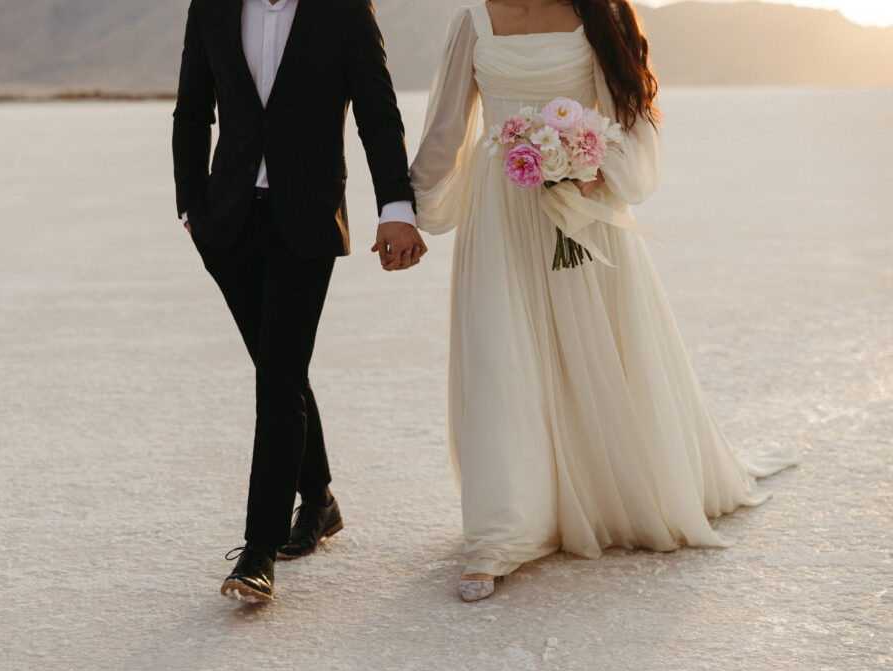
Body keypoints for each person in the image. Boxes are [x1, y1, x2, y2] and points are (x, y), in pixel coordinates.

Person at [409, 0, 797, 602]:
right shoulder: (475, 19)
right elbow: (447, 127)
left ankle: (612, 490)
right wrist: (408, 211)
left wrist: (594, 170)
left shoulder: (602, 13)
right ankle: (498, 535)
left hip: (583, 214)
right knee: (501, 359)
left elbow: (633, 122)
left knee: (598, 351)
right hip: (501, 212)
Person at [172, 0, 427, 603]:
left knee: (278, 379)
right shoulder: (210, 6)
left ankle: (257, 553)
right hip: (227, 221)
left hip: (306, 222)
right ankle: (319, 500)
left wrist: (396, 209)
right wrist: (190, 203)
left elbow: (376, 110)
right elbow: (192, 107)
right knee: (277, 365)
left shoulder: (342, 9)